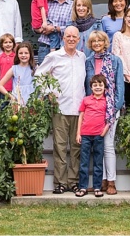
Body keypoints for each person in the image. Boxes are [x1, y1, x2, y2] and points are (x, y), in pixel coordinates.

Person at [37, 26, 87, 194]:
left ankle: (73, 181)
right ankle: (60, 182)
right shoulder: (54, 56)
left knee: (76, 147)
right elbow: (38, 76)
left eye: (74, 36)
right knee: (59, 147)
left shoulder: (82, 57)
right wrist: (47, 92)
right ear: (63, 38)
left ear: (79, 39)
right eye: (68, 36)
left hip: (79, 110)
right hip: (60, 107)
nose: (71, 39)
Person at [83, 30, 124, 195]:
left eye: (100, 40)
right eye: (94, 41)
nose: (97, 44)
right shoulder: (87, 62)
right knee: (97, 147)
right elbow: (87, 87)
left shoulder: (115, 61)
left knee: (107, 146)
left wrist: (113, 110)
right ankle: (101, 182)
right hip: (94, 109)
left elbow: (119, 87)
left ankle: (111, 181)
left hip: (110, 109)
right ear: (91, 44)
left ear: (105, 42)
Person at [75, 75, 109, 198]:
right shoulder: (86, 100)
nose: (98, 87)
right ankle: (83, 187)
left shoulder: (107, 101)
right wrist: (78, 133)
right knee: (84, 162)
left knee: (98, 163)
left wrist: (105, 130)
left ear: (105, 87)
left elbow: (110, 118)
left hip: (99, 135)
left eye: (100, 85)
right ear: (91, 87)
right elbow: (81, 116)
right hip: (85, 135)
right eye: (95, 85)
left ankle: (97, 187)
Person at [37, 0, 73, 65]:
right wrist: (41, 28)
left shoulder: (73, 6)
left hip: (62, 48)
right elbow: (37, 19)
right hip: (45, 46)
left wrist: (54, 28)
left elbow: (71, 27)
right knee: (43, 77)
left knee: (61, 77)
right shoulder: (46, 2)